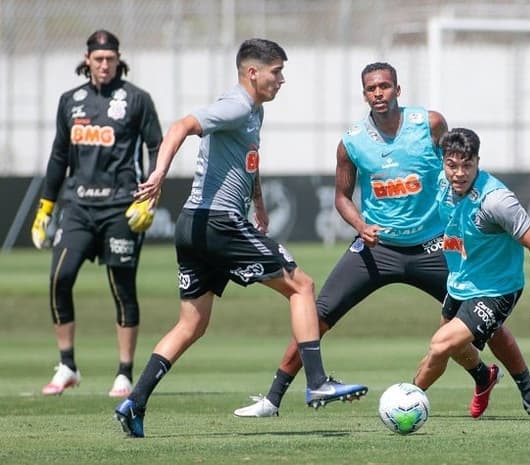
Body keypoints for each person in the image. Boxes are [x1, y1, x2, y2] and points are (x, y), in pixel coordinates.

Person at [234, 62, 530, 420]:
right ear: (364, 94)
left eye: (384, 86)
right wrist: (360, 224)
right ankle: (272, 400)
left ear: (398, 90)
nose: (378, 93)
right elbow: (341, 197)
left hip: (433, 249)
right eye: (370, 89)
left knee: (483, 321)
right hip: (376, 248)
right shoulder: (351, 142)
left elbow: (457, 165)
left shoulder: (429, 124)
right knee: (317, 315)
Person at [113, 38, 368, 438]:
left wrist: (259, 202)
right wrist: (160, 172)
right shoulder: (236, 105)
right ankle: (317, 381)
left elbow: (248, 158)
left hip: (193, 225)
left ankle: (135, 401)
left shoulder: (254, 112)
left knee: (191, 325)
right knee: (302, 286)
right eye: (276, 72)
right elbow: (181, 126)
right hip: (219, 223)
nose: (282, 80)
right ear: (253, 72)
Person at [31, 30, 163, 398]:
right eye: (98, 59)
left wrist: (149, 197)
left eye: (110, 59)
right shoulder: (69, 101)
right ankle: (67, 366)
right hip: (77, 207)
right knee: (61, 278)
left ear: (119, 59)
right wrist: (45, 207)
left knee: (121, 288)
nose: (104, 65)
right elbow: (59, 157)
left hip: (121, 207)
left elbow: (157, 147)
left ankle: (124, 373)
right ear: (87, 59)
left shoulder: (136, 99)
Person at [412, 127, 530, 419]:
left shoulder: (497, 201)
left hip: (497, 289)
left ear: (477, 161)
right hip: (461, 282)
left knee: (440, 345)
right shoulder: (440, 182)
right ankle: (502, 384)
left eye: (467, 165)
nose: (459, 173)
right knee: (464, 345)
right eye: (452, 165)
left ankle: (406, 399)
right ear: (443, 163)